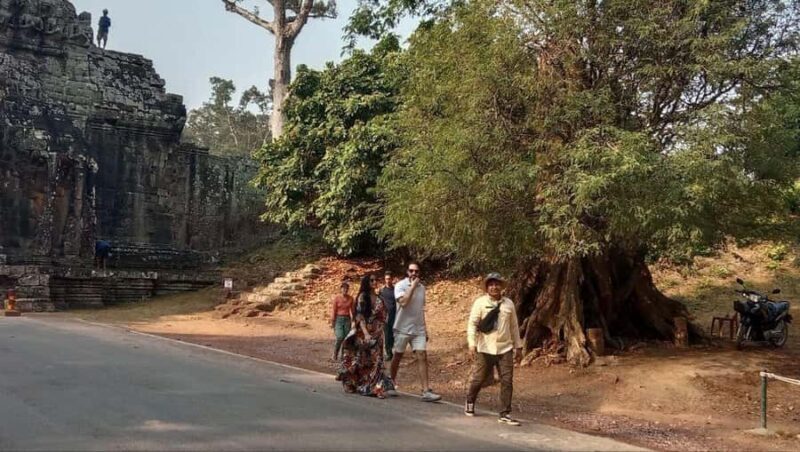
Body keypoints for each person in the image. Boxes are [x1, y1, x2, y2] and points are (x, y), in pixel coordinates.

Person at [465, 273, 523, 426]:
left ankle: (505, 413)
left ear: (501, 286)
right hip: (485, 347)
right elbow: (472, 324)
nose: (494, 287)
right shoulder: (480, 303)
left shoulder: (508, 304)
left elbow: (514, 326)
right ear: (486, 287)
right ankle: (470, 401)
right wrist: (472, 344)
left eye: (497, 284)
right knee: (479, 378)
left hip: (505, 348)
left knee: (507, 380)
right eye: (491, 284)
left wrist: (518, 346)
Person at [390, 262, 442, 402]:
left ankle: (426, 390)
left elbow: (420, 310)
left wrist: (425, 329)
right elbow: (403, 302)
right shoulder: (400, 285)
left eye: (416, 271)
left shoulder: (422, 288)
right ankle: (391, 381)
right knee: (398, 356)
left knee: (422, 356)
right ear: (407, 272)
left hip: (418, 329)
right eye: (411, 271)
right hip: (402, 328)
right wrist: (412, 286)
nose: (414, 273)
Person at [338, 275, 395, 397]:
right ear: (366, 282)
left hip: (378, 333)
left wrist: (381, 328)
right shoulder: (363, 297)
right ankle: (356, 383)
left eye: (376, 280)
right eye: (371, 280)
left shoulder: (379, 298)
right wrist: (366, 333)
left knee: (377, 360)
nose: (374, 282)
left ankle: (375, 388)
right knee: (362, 360)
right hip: (364, 333)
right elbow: (359, 316)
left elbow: (384, 315)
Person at [330, 281, 354, 361]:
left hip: (347, 319)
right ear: (341, 289)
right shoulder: (337, 298)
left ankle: (343, 355)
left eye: (346, 289)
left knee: (346, 338)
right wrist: (333, 321)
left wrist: (353, 320)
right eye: (343, 289)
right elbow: (334, 310)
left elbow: (352, 310)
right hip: (338, 319)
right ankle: (335, 353)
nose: (345, 290)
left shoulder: (350, 298)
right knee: (340, 336)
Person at [379, 271, 397, 361]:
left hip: (395, 315)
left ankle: (391, 347)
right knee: (387, 334)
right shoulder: (382, 291)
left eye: (389, 279)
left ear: (392, 279)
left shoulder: (396, 290)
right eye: (386, 279)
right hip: (385, 316)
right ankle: (388, 353)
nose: (388, 280)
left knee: (393, 334)